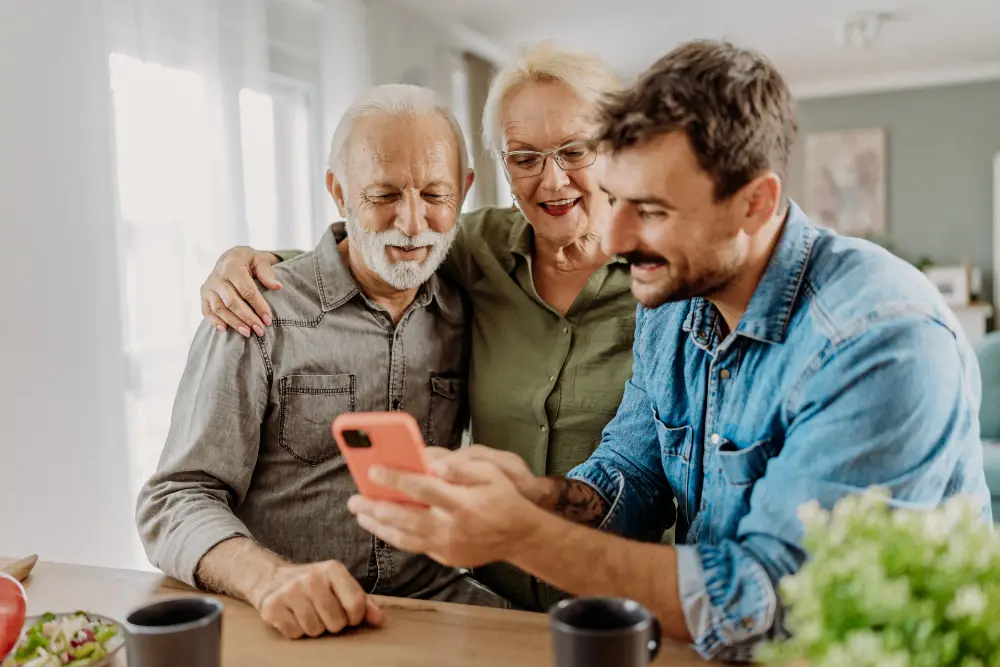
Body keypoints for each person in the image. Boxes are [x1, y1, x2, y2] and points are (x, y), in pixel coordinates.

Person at [343, 41, 994, 662]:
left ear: (754, 203)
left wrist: (520, 533)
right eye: (619, 199)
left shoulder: (881, 341)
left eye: (649, 210)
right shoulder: (676, 300)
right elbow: (633, 467)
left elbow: (770, 599)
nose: (618, 237)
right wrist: (538, 495)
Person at [192, 43, 635, 610]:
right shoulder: (480, 252)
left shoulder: (667, 281)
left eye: (574, 151)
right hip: (489, 601)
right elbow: (374, 258)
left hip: (618, 599)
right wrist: (251, 262)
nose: (552, 182)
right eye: (524, 157)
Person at [136, 84, 508, 642]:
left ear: (465, 191)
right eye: (383, 194)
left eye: (435, 193)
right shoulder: (256, 310)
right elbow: (175, 500)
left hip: (429, 603)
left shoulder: (464, 310)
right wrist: (269, 579)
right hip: (283, 613)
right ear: (339, 192)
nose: (412, 222)